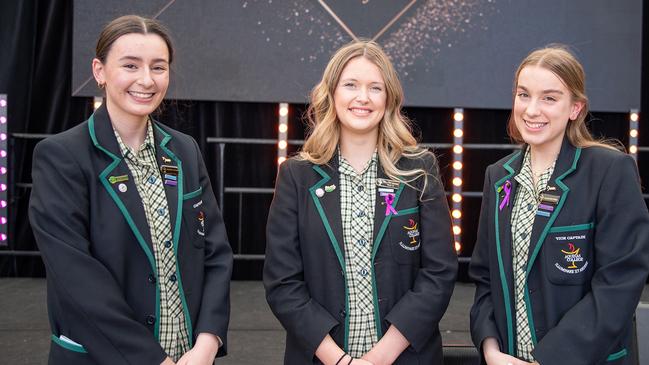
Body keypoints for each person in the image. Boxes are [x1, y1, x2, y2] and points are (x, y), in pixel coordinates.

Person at [29, 15, 232, 365]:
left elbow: (215, 254)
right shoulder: (62, 156)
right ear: (100, 71)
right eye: (130, 65)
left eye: (158, 67)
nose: (146, 80)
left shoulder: (184, 151)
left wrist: (207, 342)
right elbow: (77, 280)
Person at [263, 40, 458, 364]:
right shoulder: (296, 176)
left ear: (389, 98)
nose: (363, 98)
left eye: (375, 88)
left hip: (404, 357)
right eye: (351, 85)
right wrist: (338, 360)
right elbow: (282, 282)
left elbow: (439, 272)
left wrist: (380, 357)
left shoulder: (419, 169)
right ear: (332, 93)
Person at [469, 45, 649, 365]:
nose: (532, 110)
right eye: (524, 95)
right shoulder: (498, 177)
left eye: (549, 98)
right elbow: (485, 279)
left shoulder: (609, 171)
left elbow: (618, 283)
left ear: (575, 108)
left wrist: (549, 359)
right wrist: (490, 348)